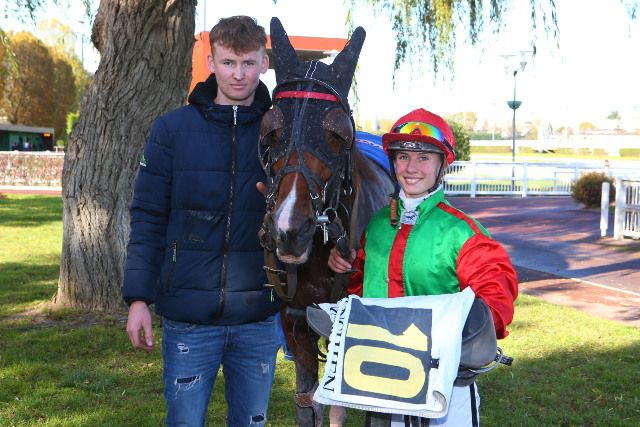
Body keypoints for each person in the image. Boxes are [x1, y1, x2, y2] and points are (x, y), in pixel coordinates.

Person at [122, 15, 282, 427]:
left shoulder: (280, 134)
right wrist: (139, 299)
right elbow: (148, 218)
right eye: (228, 62)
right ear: (210, 62)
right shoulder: (172, 129)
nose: (239, 74)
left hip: (257, 317)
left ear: (264, 63)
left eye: (248, 63)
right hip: (188, 320)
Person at [328, 108, 518, 427]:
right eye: (403, 157)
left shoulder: (461, 231)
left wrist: (467, 335)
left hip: (444, 383)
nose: (411, 168)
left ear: (443, 165)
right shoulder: (377, 224)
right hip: (379, 375)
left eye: (424, 158)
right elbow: (362, 286)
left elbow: (497, 293)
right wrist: (346, 270)